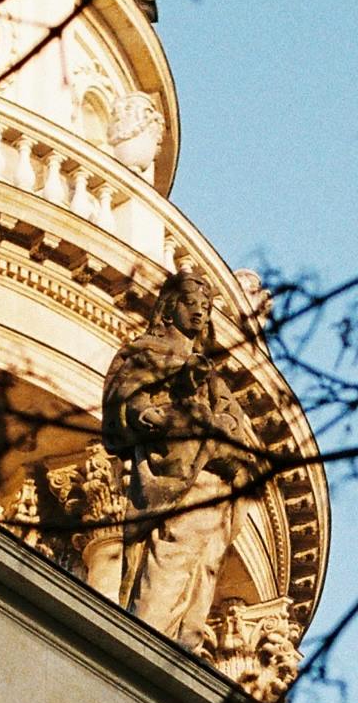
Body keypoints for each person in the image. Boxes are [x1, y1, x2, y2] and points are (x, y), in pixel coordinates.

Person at [102, 270, 259, 647]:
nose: (201, 313)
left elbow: (236, 426)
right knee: (172, 555)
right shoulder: (147, 352)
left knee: (202, 568)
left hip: (211, 476)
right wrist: (148, 413)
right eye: (192, 305)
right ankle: (150, 637)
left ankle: (180, 643)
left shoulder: (210, 374)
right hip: (177, 475)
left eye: (205, 308)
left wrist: (220, 427)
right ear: (170, 309)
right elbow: (126, 397)